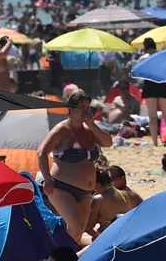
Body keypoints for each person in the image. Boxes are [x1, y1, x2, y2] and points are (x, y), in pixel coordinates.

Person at [37, 89, 112, 244]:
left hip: (85, 191)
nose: (86, 111)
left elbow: (108, 142)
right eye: (82, 108)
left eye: (88, 107)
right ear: (71, 109)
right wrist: (47, 179)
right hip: (61, 187)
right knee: (76, 227)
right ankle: (57, 258)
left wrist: (92, 125)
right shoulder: (61, 129)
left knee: (78, 231)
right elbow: (41, 153)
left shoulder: (89, 130)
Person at [137, 38, 166, 147]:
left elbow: (139, 73)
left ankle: (155, 143)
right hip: (162, 84)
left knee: (152, 117)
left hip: (149, 85)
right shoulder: (162, 56)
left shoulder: (142, 58)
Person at [85, 166, 142, 239]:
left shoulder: (98, 199)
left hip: (108, 238)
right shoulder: (125, 194)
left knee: (80, 239)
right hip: (125, 235)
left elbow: (88, 228)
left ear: (97, 184)